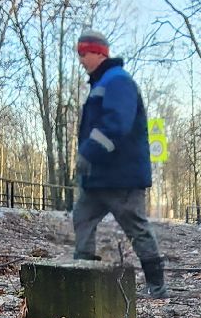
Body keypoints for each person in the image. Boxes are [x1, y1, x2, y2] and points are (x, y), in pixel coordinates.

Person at [71, 29, 166, 299]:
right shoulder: (103, 82)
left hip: (122, 177)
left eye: (84, 54)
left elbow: (116, 124)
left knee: (136, 227)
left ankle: (157, 287)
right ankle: (83, 277)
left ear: (99, 53)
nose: (81, 60)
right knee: (83, 217)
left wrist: (88, 153)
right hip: (99, 178)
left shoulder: (118, 81)